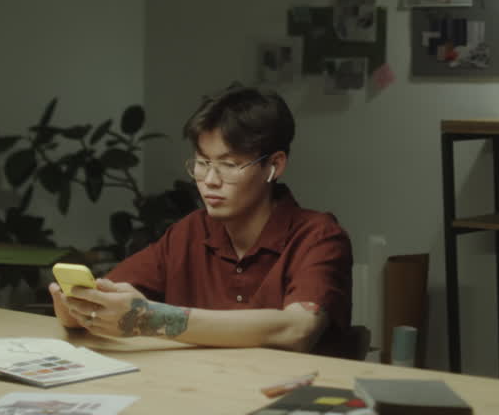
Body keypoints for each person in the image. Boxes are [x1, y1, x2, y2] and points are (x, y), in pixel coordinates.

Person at [49, 85, 353, 356]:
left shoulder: (319, 236)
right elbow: (104, 305)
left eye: (229, 165)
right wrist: (77, 303)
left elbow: (296, 330)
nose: (209, 180)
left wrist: (154, 318)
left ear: (274, 166)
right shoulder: (190, 231)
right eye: (202, 163)